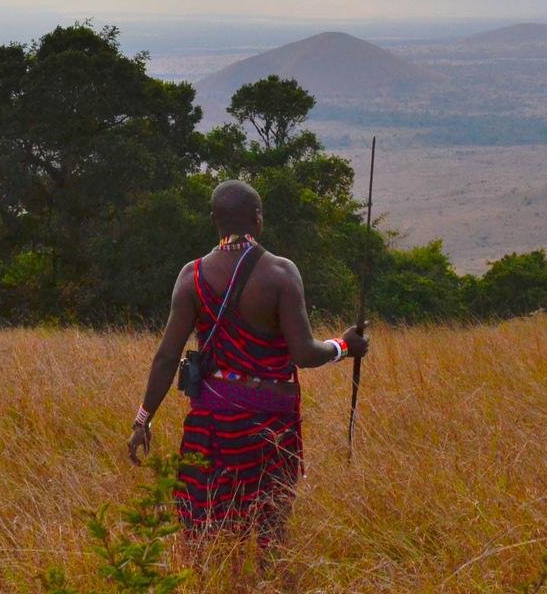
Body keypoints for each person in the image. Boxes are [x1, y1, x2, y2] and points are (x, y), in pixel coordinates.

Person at [127, 179, 370, 544]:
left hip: (209, 421)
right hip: (268, 426)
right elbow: (304, 354)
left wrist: (142, 420)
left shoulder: (190, 276)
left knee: (203, 525)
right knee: (267, 527)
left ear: (214, 219)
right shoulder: (280, 273)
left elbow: (166, 358)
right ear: (258, 219)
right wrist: (343, 346)